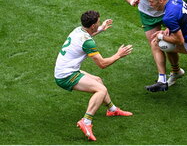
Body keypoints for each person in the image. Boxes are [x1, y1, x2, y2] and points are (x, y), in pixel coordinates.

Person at [54, 10, 133, 141]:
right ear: (92, 26)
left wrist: (101, 29)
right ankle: (86, 121)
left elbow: (89, 36)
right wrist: (118, 54)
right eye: (98, 22)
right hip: (66, 76)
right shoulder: (87, 42)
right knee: (101, 90)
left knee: (97, 80)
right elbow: (102, 64)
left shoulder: (78, 30)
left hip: (64, 70)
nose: (99, 23)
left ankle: (112, 109)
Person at [126, 0, 187, 86]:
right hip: (148, 16)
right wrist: (133, 1)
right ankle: (163, 77)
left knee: (169, 42)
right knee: (155, 43)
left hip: (166, 13)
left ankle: (175, 70)